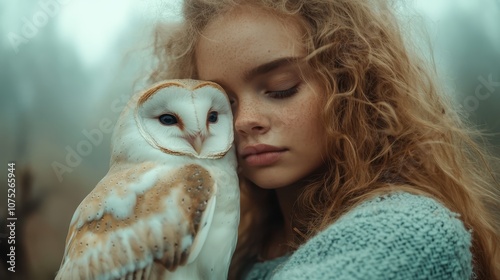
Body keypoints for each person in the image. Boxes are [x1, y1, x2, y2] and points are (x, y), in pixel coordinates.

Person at [149, 0, 500, 279]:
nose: (244, 121)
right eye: (221, 106)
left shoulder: (409, 233)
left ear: (349, 84)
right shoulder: (239, 245)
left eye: (280, 89)